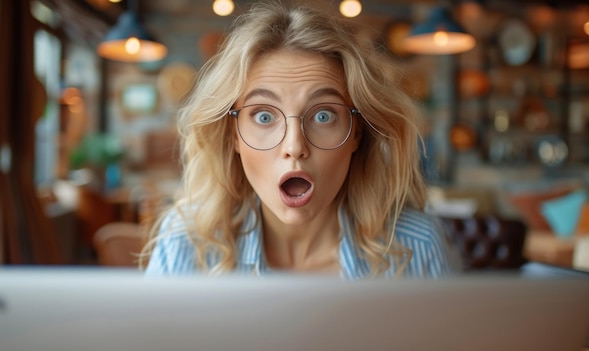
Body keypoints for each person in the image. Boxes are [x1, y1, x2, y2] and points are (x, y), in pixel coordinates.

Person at [141, 1, 461, 279]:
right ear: (233, 134)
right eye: (264, 116)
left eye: (323, 116)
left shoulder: (416, 247)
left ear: (356, 133)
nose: (294, 147)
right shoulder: (184, 245)